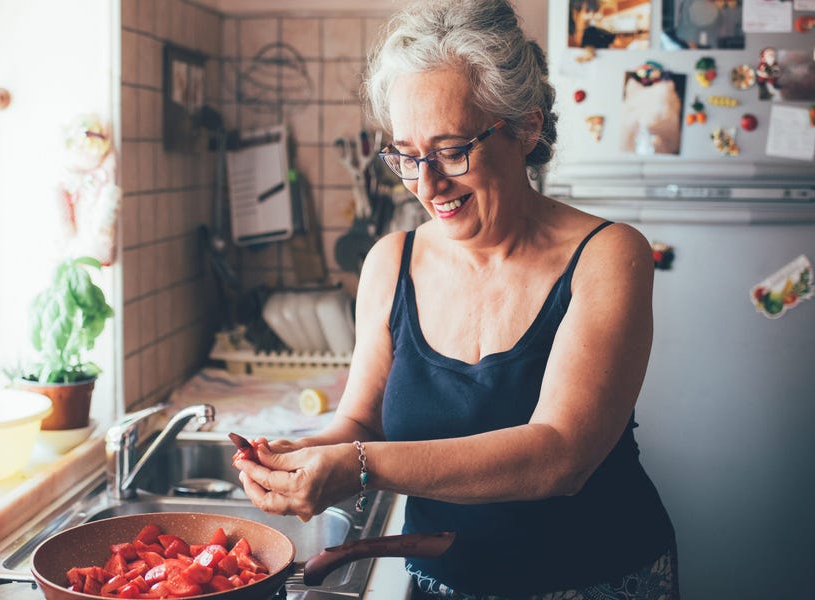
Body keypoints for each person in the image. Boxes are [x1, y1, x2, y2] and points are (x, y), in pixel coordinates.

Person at [232, 1, 678, 598]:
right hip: (442, 582)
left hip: (597, 579)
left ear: (526, 127)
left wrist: (360, 467)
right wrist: (295, 458)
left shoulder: (609, 256)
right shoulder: (389, 263)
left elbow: (560, 456)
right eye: (406, 155)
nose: (427, 184)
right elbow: (362, 422)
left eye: (450, 151)